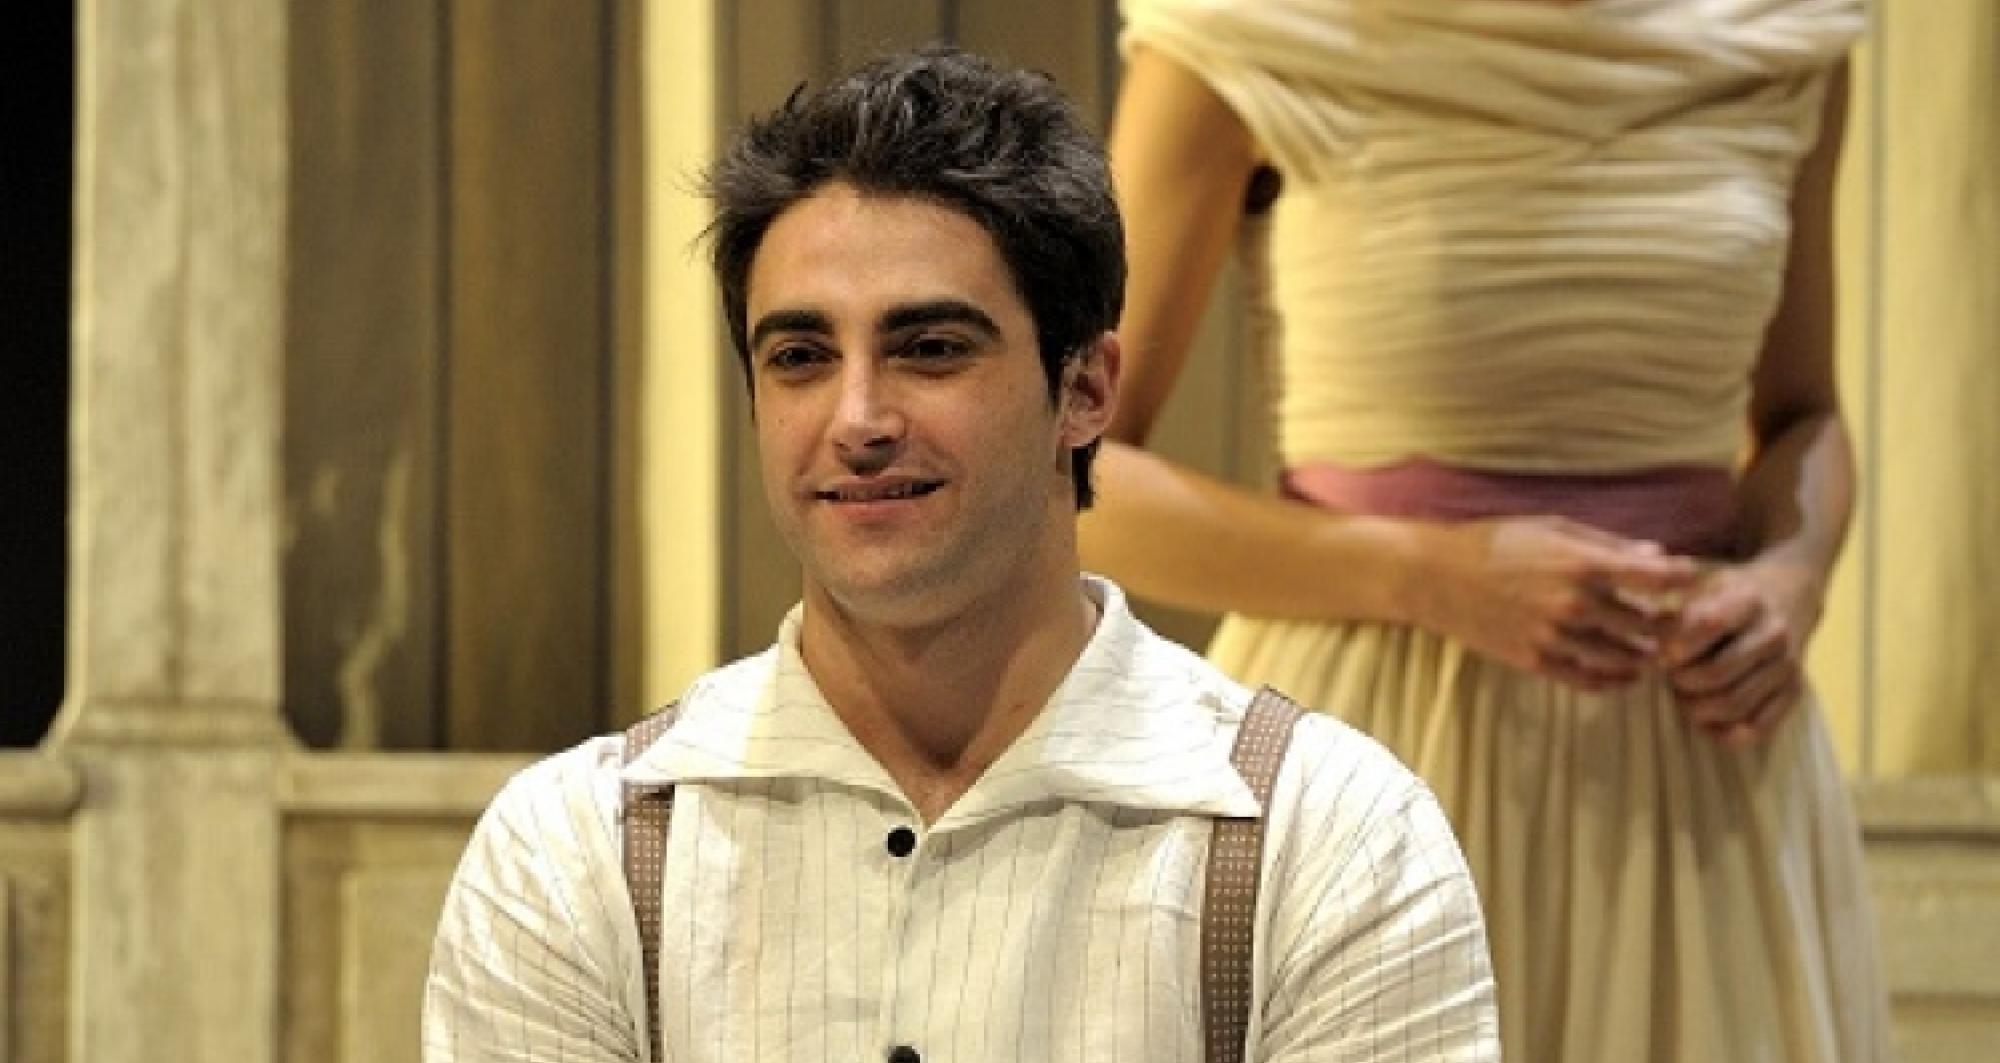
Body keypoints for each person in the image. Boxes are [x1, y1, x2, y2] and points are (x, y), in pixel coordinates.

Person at [423, 45, 1498, 1063]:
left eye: (929, 349)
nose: (857, 419)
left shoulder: (1333, 838)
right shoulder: (572, 854)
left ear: (1084, 389)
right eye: (799, 356)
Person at [1083, 1, 1891, 1060]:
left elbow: (1803, 417)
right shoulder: (1248, 32)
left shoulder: (1776, 37)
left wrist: (1794, 574)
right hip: (1373, 752)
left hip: (1697, 777)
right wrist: (1426, 572)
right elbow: (1072, 474)